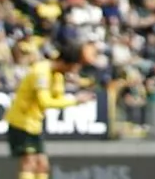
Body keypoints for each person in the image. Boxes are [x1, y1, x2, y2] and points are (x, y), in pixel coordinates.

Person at [6, 34, 97, 179]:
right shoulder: (41, 72)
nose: (74, 70)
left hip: (34, 123)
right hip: (21, 121)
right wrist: (75, 100)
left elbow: (58, 97)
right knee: (29, 162)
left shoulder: (57, 75)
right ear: (67, 63)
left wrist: (78, 89)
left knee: (42, 164)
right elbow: (45, 102)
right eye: (74, 66)